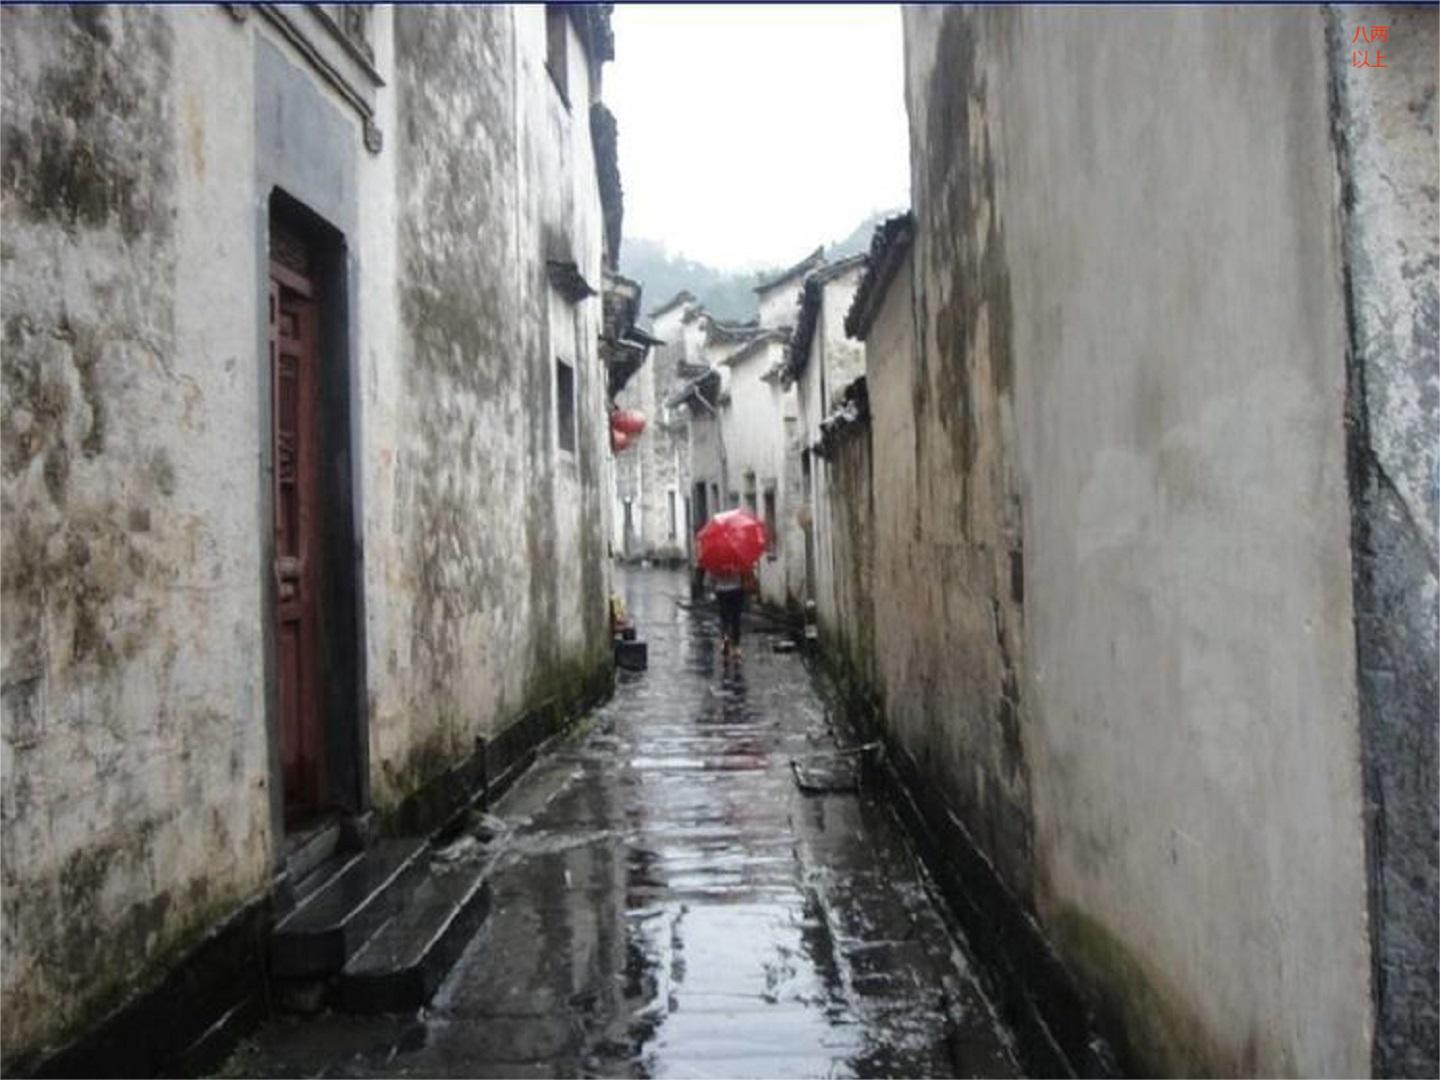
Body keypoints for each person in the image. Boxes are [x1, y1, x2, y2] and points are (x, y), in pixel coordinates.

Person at [711, 567, 746, 658]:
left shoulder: (717, 563)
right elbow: (743, 575)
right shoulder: (738, 562)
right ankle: (736, 647)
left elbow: (713, 578)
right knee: (736, 619)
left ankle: (725, 638)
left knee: (724, 618)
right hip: (736, 590)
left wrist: (715, 587)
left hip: (721, 591)